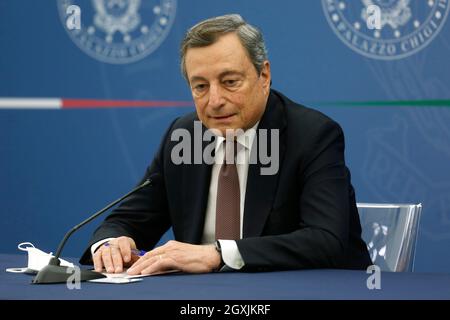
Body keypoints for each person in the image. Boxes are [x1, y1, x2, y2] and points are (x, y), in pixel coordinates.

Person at [80, 14, 372, 275]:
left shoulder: (312, 135)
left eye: (230, 81)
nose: (215, 101)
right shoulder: (185, 135)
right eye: (201, 87)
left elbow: (325, 240)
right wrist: (111, 243)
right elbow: (129, 220)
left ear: (264, 76)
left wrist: (219, 255)